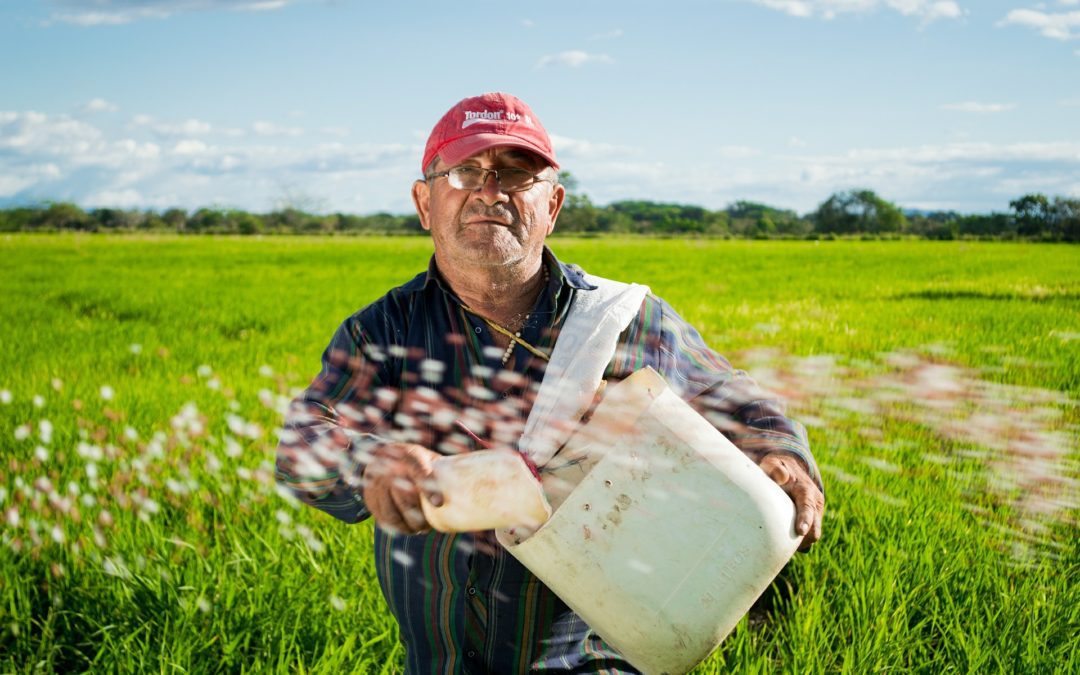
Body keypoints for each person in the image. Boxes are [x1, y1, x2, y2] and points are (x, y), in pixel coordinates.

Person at [275, 92, 825, 673]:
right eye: (465, 171)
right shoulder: (383, 330)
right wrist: (369, 464)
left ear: (553, 204)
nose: (490, 190)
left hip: (592, 657)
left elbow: (733, 398)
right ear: (424, 202)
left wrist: (779, 450)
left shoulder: (621, 321)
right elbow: (303, 441)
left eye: (517, 174)